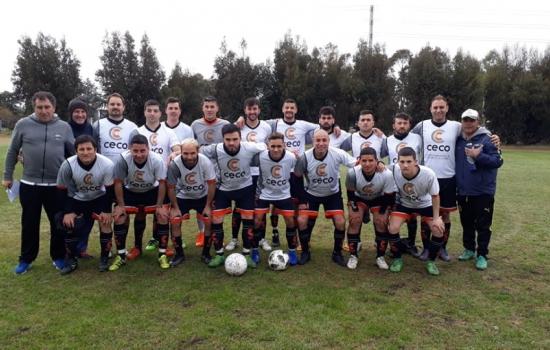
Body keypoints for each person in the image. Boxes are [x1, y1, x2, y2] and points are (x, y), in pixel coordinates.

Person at [3, 91, 75, 275]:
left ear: (54, 107)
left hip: (55, 185)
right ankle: (26, 259)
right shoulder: (23, 124)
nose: (43, 111)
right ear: (34, 107)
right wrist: (7, 176)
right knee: (29, 223)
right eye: (39, 107)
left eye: (47, 107)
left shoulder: (64, 127)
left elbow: (73, 155)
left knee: (57, 223)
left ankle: (58, 257)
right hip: (30, 184)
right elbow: (12, 152)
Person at [200, 124, 266, 268]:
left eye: (235, 139)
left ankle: (247, 254)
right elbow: (198, 151)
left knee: (248, 222)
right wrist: (176, 153)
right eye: (228, 139)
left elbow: (266, 147)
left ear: (240, 138)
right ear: (222, 139)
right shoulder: (215, 149)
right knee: (216, 221)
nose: (231, 143)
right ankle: (219, 255)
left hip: (245, 189)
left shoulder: (249, 147)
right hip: (223, 189)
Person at [294, 129, 357, 266]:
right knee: (302, 220)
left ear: (329, 141)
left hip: (332, 195)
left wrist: (379, 164)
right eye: (318, 140)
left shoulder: (338, 153)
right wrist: (301, 201)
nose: (321, 143)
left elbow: (357, 163)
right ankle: (305, 252)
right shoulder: (304, 157)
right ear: (313, 141)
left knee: (340, 222)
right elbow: (297, 178)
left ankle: (337, 253)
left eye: (324, 140)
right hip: (311, 194)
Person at [55, 135, 114, 274]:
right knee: (69, 224)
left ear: (95, 149)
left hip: (99, 198)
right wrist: (67, 212)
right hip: (77, 199)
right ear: (76, 151)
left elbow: (110, 190)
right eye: (81, 149)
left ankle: (104, 258)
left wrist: (106, 210)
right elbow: (62, 190)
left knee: (105, 223)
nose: (86, 152)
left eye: (89, 148)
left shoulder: (106, 164)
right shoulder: (68, 165)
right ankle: (71, 259)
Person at [110, 134, 170, 270]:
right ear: (130, 149)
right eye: (135, 151)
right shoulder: (122, 159)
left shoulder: (156, 160)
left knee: (163, 216)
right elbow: (118, 183)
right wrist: (120, 205)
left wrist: (160, 206)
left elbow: (162, 183)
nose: (139, 154)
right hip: (130, 191)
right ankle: (121, 256)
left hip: (151, 191)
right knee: (120, 217)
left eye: (142, 151)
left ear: (148, 149)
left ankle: (162, 254)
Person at [455, 109, 503, 270]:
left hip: (483, 191)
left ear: (478, 122)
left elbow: (497, 161)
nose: (468, 123)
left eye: (472, 120)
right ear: (462, 122)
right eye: (465, 120)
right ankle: (469, 249)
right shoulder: (458, 139)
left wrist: (478, 156)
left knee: (483, 225)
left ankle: (482, 254)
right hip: (463, 190)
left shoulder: (488, 139)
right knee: (466, 222)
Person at [130, 100, 180, 253]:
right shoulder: (137, 132)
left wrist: (174, 153)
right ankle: (137, 246)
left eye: (155, 111)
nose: (152, 113)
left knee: (163, 212)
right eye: (149, 110)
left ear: (160, 113)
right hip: (141, 180)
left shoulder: (168, 131)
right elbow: (130, 152)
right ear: (144, 112)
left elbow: (178, 149)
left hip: (162, 180)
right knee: (140, 214)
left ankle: (163, 244)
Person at [386, 147, 445, 275]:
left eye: (409, 161)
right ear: (398, 162)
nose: (405, 165)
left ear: (416, 162)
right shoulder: (394, 169)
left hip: (426, 204)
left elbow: (435, 196)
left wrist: (436, 218)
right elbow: (380, 166)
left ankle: (431, 261)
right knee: (392, 228)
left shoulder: (428, 174)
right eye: (402, 162)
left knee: (438, 230)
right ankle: (397, 259)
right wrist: (379, 163)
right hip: (405, 204)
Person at [226, 97, 273, 252]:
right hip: (241, 173)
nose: (252, 112)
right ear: (245, 110)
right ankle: (234, 239)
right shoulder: (238, 126)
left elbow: (269, 146)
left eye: (255, 109)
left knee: (260, 207)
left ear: (259, 110)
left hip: (260, 173)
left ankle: (261, 238)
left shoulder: (266, 127)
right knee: (239, 207)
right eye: (249, 109)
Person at [167, 138, 216, 265]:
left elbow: (211, 184)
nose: (189, 157)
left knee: (209, 219)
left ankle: (206, 253)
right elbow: (171, 188)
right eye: (186, 153)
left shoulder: (205, 161)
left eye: (192, 153)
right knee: (175, 219)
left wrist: (208, 205)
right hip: (183, 196)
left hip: (202, 195)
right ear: (181, 152)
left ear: (198, 151)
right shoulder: (175, 164)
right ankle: (179, 254)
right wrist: (175, 207)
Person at [345, 147, 396, 270]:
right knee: (354, 220)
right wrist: (355, 210)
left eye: (370, 160)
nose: (367, 164)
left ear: (377, 161)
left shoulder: (386, 174)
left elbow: (389, 196)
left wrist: (383, 212)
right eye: (364, 161)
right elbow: (351, 196)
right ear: (359, 161)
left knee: (381, 222)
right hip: (359, 198)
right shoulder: (352, 173)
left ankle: (380, 256)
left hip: (379, 199)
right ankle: (353, 255)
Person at [380, 112, 422, 257]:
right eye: (399, 123)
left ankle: (410, 243)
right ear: (394, 125)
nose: (402, 126)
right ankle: (394, 245)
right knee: (392, 214)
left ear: (409, 125)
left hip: (413, 182)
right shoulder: (387, 140)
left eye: (405, 123)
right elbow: (380, 158)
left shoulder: (417, 138)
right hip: (393, 183)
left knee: (413, 215)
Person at [253, 132, 298, 264]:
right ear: (268, 146)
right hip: (264, 193)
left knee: (290, 221)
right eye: (273, 146)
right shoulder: (260, 157)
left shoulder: (291, 157)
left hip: (284, 194)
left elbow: (299, 172)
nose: (276, 149)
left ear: (284, 145)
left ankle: (292, 251)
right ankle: (254, 250)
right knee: (257, 221)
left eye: (279, 146)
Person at [67, 98, 94, 258]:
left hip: (89, 177)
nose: (80, 114)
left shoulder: (90, 128)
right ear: (71, 113)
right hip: (71, 177)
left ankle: (82, 248)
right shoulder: (65, 128)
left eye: (83, 111)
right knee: (71, 216)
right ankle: (69, 249)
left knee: (88, 216)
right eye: (76, 111)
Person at [92, 93, 138, 163]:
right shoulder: (97, 125)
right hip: (104, 171)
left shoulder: (132, 127)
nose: (115, 107)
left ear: (123, 107)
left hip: (125, 170)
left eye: (118, 104)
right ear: (107, 106)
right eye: (112, 104)